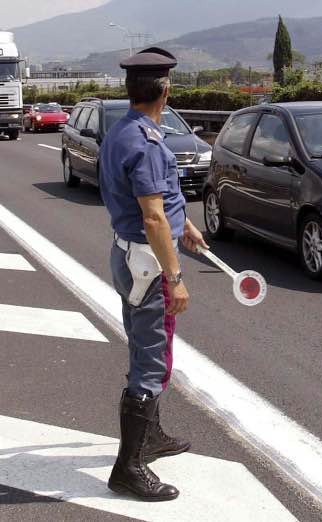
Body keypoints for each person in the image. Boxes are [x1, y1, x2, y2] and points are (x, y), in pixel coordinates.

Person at [98, 47, 208, 502]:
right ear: (165, 89)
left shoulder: (123, 131)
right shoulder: (146, 142)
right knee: (152, 361)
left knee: (145, 346)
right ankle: (130, 467)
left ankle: (152, 437)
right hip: (148, 262)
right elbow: (153, 217)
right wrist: (175, 276)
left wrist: (186, 224)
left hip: (128, 256)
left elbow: (160, 208)